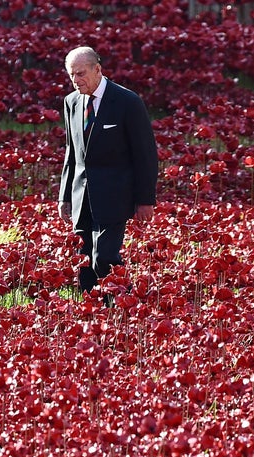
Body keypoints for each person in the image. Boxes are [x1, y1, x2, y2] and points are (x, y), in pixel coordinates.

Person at [58, 46, 158, 300]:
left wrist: (145, 199)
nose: (76, 80)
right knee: (83, 258)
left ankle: (122, 303)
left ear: (98, 69)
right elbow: (72, 152)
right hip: (82, 196)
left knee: (105, 257)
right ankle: (91, 309)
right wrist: (64, 196)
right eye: (72, 75)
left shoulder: (127, 102)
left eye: (81, 74)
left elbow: (145, 155)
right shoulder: (71, 102)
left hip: (115, 195)